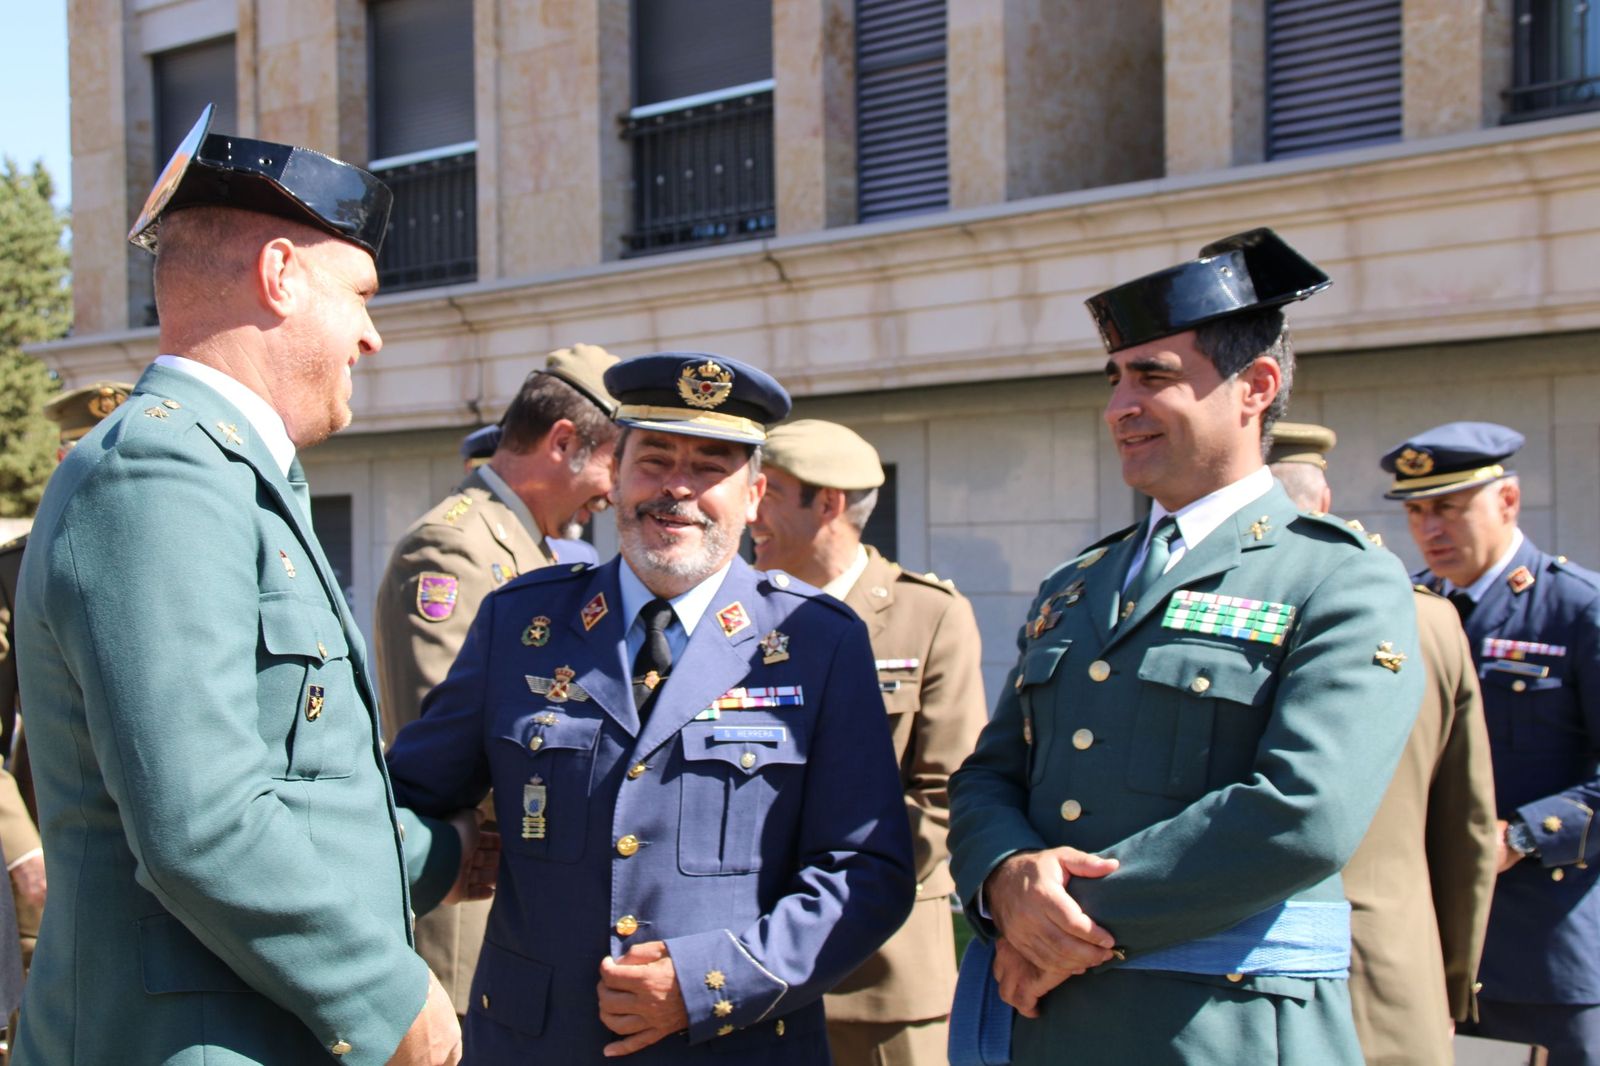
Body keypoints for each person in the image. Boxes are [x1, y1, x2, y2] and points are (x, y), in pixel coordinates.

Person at [11, 106, 493, 1066]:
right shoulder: (158, 472)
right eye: (361, 294)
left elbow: (298, 791)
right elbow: (201, 823)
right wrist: (390, 996)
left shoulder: (222, 471)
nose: (372, 337)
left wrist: (451, 856)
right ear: (280, 276)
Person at [947, 228, 1423, 1065]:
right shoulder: (1078, 581)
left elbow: (1303, 814)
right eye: (1116, 379)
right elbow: (991, 773)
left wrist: (1060, 928)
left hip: (1217, 1027)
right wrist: (1006, 878)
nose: (1118, 406)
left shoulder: (1338, 578)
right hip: (1043, 1025)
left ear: (1256, 388)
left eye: (1153, 377)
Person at [386, 352, 916, 1062]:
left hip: (735, 1042)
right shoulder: (521, 624)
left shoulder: (817, 642)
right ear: (617, 473)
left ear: (755, 493)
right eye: (655, 459)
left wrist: (708, 985)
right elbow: (409, 797)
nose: (676, 489)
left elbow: (865, 871)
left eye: (710, 467)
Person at [374, 344, 619, 1012]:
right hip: (470, 911)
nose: (615, 491)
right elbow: (452, 741)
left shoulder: (521, 542)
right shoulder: (455, 547)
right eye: (614, 462)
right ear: (563, 441)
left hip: (524, 896)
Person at [750, 418, 986, 1066]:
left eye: (767, 491)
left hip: (880, 983)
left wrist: (809, 905)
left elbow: (946, 797)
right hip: (747, 978)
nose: (750, 512)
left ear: (827, 504)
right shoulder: (737, 615)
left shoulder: (929, 616)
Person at [1269, 422, 1497, 1066]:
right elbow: (1467, 831)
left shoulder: (1195, 613)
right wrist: (1446, 987)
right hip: (1397, 986)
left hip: (1234, 997)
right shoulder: (1429, 615)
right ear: (1325, 498)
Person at [1382, 421, 1600, 1065]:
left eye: (1449, 508)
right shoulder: (1402, 610)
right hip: (1420, 952)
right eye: (1418, 512)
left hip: (1540, 950)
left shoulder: (1576, 610)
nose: (1431, 529)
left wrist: (1523, 836)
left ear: (1507, 501)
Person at [0, 383, 131, 986]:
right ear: (62, 459)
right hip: (57, 853)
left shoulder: (168, 554)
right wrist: (21, 847)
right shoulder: (15, 568)